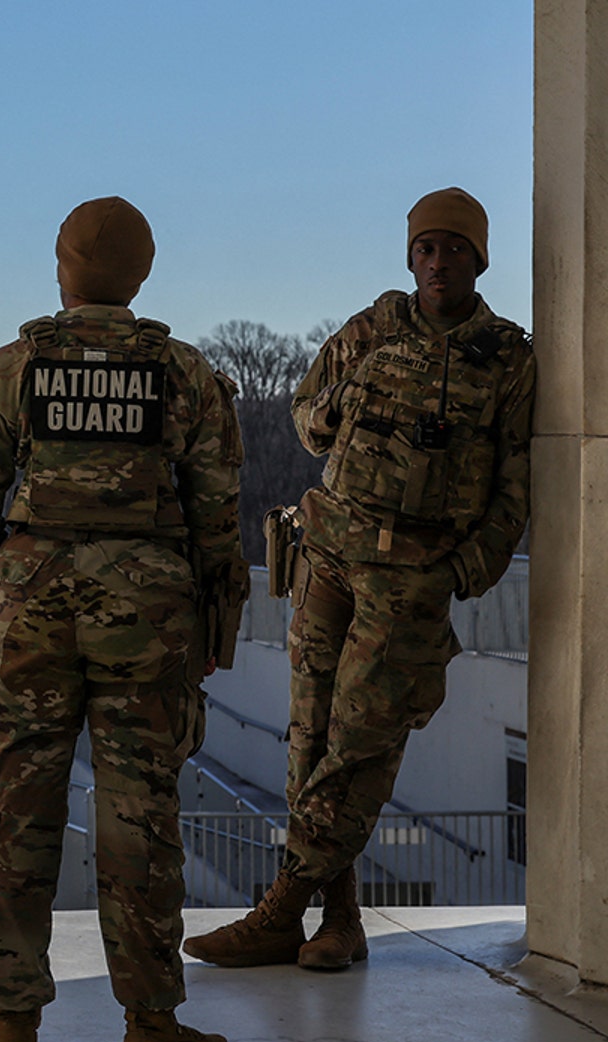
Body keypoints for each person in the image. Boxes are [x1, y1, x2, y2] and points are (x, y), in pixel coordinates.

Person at [184, 188, 535, 974]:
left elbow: (516, 486)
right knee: (309, 747)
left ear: (480, 258)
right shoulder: (372, 328)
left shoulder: (507, 355)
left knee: (360, 749)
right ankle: (337, 921)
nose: (437, 263)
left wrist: (459, 572)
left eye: (453, 249)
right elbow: (307, 420)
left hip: (412, 576)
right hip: (328, 554)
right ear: (410, 256)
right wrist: (348, 402)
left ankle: (280, 910)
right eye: (425, 249)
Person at [0, 196, 242, 1042]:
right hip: (146, 613)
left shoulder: (9, 368)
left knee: (17, 811)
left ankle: (11, 1023)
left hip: (29, 602)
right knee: (139, 817)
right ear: (143, 272)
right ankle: (151, 1028)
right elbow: (218, 517)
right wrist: (199, 613)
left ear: (60, 264)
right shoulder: (186, 376)